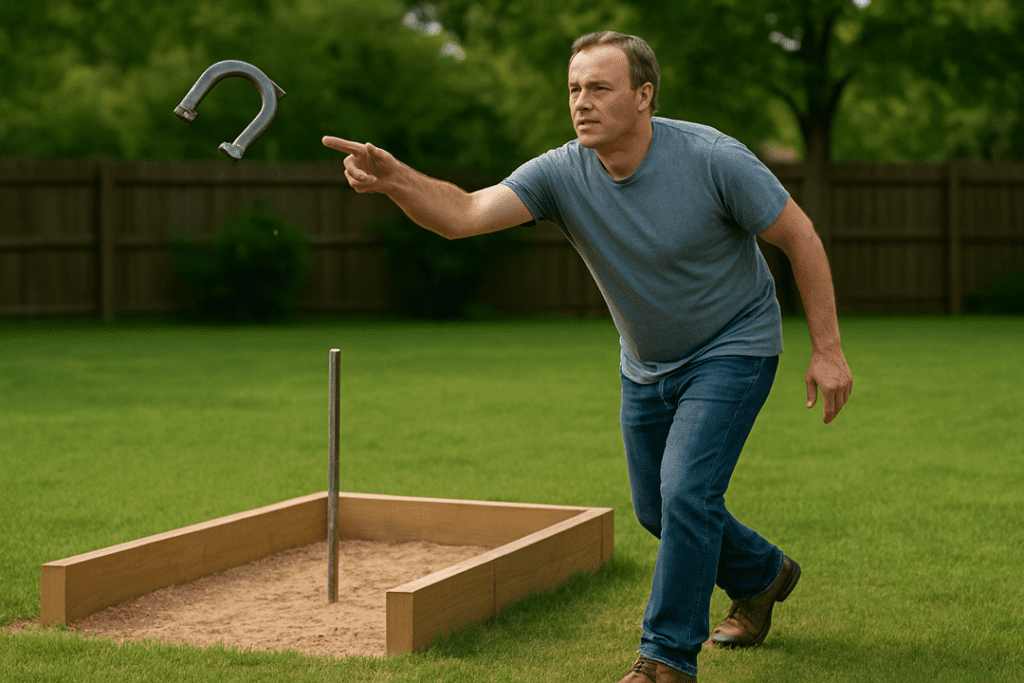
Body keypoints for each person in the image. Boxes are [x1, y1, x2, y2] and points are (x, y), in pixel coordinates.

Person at [324, 30, 852, 683]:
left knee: (688, 490)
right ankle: (764, 574)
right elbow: (462, 214)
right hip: (646, 361)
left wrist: (826, 348)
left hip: (733, 344)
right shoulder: (561, 172)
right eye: (574, 89)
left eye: (599, 87)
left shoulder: (713, 158)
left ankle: (664, 658)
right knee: (658, 508)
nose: (582, 102)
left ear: (644, 95)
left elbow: (798, 235)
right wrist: (396, 179)